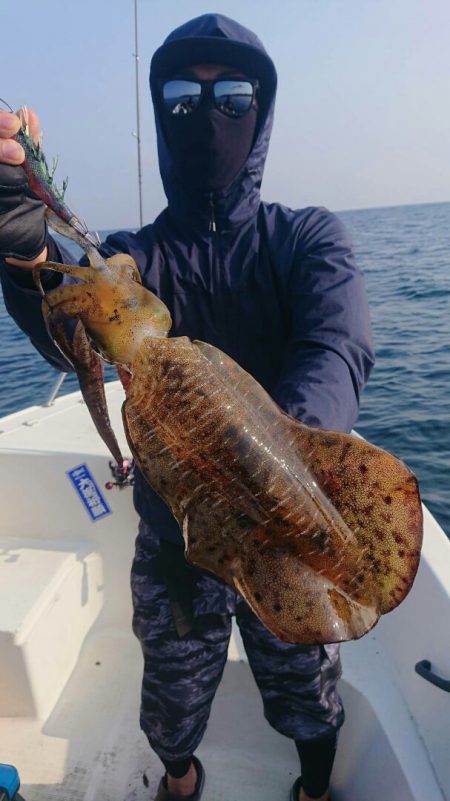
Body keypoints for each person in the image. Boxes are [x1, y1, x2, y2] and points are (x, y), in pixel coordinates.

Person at [0, 13, 374, 801]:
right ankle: (181, 777)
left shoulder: (307, 240)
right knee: (170, 707)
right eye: (181, 95)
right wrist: (23, 245)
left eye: (233, 94)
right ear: (158, 110)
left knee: (307, 696)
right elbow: (73, 308)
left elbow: (337, 348)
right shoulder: (140, 256)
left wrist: (272, 465)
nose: (207, 113)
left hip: (285, 531)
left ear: (262, 110)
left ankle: (311, 787)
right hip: (175, 541)